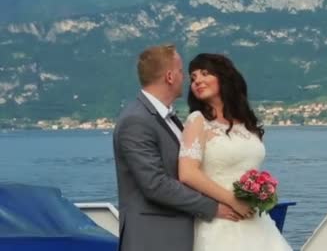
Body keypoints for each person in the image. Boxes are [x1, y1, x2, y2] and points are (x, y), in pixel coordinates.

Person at [113, 44, 242, 251]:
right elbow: (155, 184)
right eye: (182, 72)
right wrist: (213, 207)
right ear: (170, 77)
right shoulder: (136, 121)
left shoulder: (168, 118)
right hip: (153, 239)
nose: (186, 79)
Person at [178, 53, 292, 250]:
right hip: (221, 220)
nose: (197, 81)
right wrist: (233, 201)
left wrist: (262, 192)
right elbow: (188, 174)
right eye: (193, 77)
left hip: (257, 222)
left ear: (223, 77)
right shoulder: (198, 120)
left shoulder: (247, 123)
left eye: (205, 73)